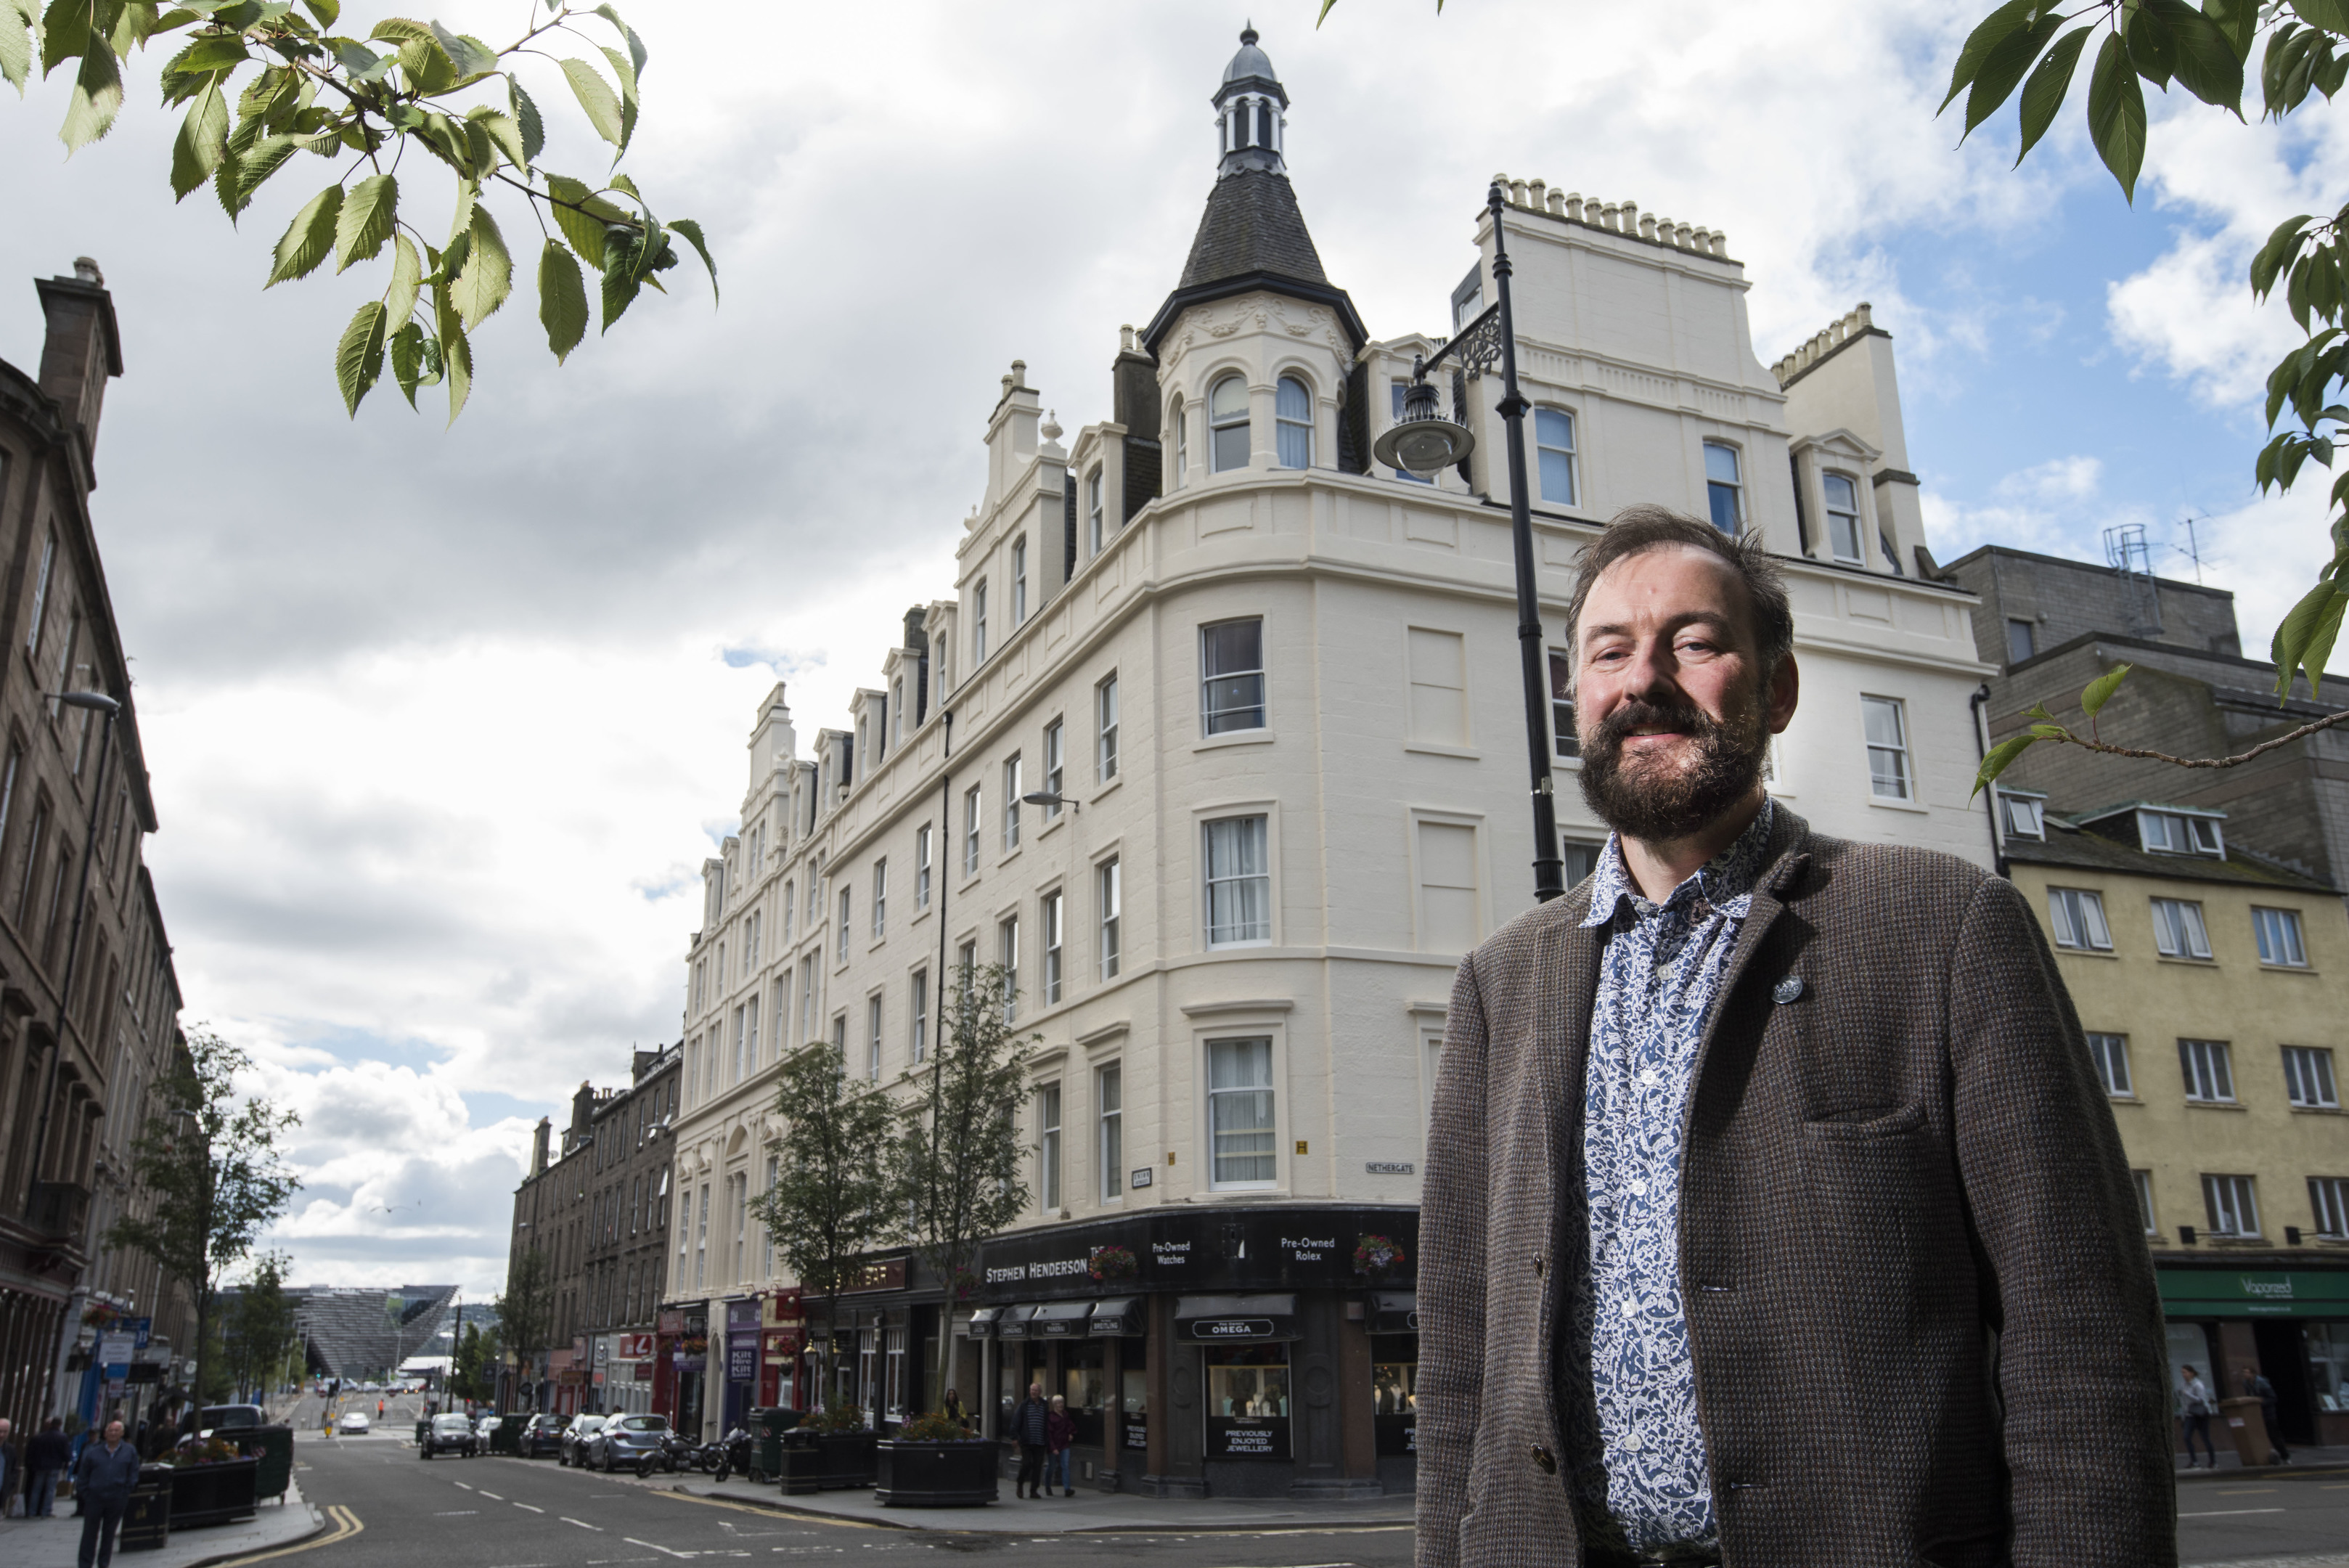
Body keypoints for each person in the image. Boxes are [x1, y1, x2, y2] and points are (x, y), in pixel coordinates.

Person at [1417, 508, 2172, 1568]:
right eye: (1610, 652)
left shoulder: (1945, 928)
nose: (1645, 680)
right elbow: (1459, 1362)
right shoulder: (1500, 984)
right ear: (1576, 695)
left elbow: (2077, 1337)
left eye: (1694, 642)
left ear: (1777, 689)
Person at [73, 1419, 139, 1568]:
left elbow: (133, 1473)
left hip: (116, 1498)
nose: (113, 1433)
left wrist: (126, 1491)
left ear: (122, 1434)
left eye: (117, 1431)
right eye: (111, 1430)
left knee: (108, 1535)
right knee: (89, 1533)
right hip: (95, 1498)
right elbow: (83, 1475)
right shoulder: (94, 1452)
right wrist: (86, 1494)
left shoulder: (129, 1451)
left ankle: (103, 1564)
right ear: (105, 1433)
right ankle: (85, 1564)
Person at [1010, 1382, 1050, 1500]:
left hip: (1040, 1441)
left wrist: (1047, 1438)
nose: (1034, 1392)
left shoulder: (1044, 1405)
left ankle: (1034, 1490)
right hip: (1027, 1441)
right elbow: (1016, 1421)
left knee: (1038, 1466)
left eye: (1036, 1390)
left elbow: (1047, 1422)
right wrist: (1014, 1437)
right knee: (1026, 1464)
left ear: (1040, 1392)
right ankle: (1020, 1483)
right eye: (1032, 1390)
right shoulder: (1024, 1405)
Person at [2243, 1365, 2289, 1463]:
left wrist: (2260, 1403)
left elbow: (2273, 1398)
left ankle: (2285, 1457)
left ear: (2253, 1374)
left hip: (2268, 1414)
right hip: (2257, 1414)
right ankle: (2266, 1457)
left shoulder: (2262, 1383)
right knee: (2260, 1436)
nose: (2245, 1374)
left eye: (2247, 1372)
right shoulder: (2246, 1384)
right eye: (2244, 1372)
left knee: (2274, 1436)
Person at [28, 1416, 72, 1516]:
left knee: (36, 1489)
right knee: (50, 1490)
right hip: (54, 1466)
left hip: (41, 1466)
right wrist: (66, 1464)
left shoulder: (42, 1436)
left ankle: (32, 1511)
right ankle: (46, 1511)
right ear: (60, 1425)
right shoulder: (62, 1437)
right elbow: (66, 1453)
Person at [2180, 1365, 2217, 1469]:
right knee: (2186, 1437)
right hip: (2190, 1415)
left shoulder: (2198, 1385)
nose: (2184, 1375)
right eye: (2182, 1373)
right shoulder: (2184, 1384)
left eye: (2185, 1372)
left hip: (2201, 1415)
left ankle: (2213, 1462)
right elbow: (2184, 1402)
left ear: (2192, 1373)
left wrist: (2187, 1394)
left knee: (2205, 1438)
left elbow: (2201, 1400)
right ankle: (2194, 1462)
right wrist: (2184, 1416)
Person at [1045, 1395, 1074, 1497]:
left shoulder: (1065, 1415)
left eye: (1061, 1402)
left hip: (1064, 1444)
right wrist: (1053, 1448)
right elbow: (1049, 1434)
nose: (1060, 1405)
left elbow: (1070, 1426)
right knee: (1051, 1467)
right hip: (1054, 1445)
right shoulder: (1051, 1417)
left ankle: (1067, 1489)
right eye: (1058, 1403)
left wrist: (1070, 1433)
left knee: (1065, 1465)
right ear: (1054, 1405)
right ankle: (1048, 1486)